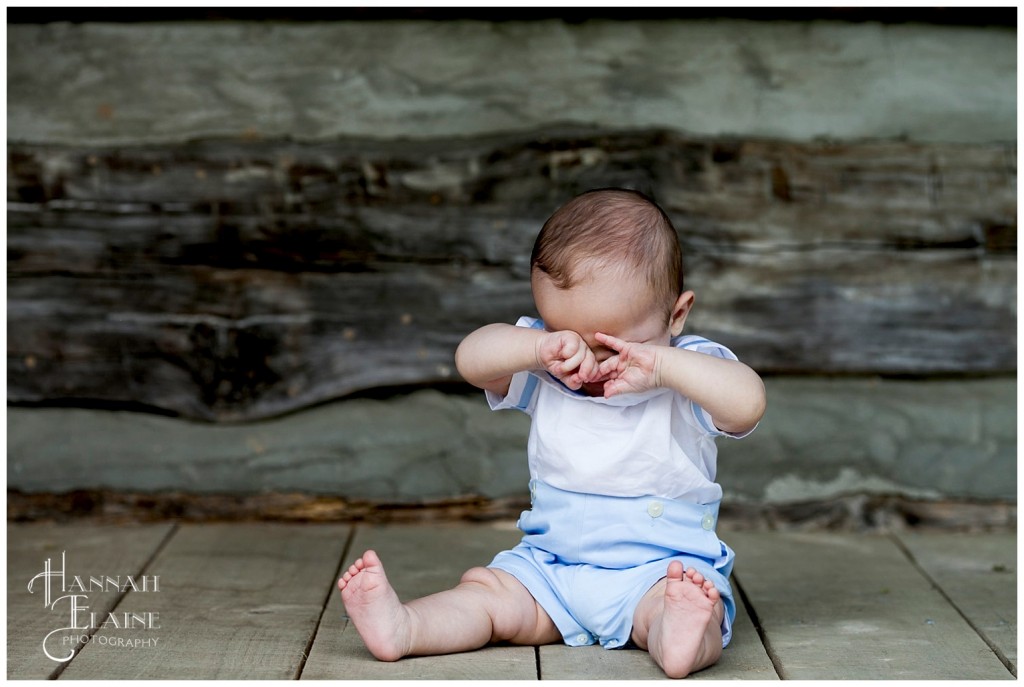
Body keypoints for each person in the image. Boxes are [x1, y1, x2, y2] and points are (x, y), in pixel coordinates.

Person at [337, 188, 766, 678]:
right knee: (487, 595)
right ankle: (406, 627)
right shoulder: (549, 366)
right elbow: (471, 359)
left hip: (657, 574)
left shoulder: (691, 373)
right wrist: (540, 347)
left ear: (676, 315)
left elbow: (748, 404)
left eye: (616, 345)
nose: (591, 363)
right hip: (547, 567)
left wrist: (664, 366)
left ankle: (678, 636)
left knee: (689, 607)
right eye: (570, 337)